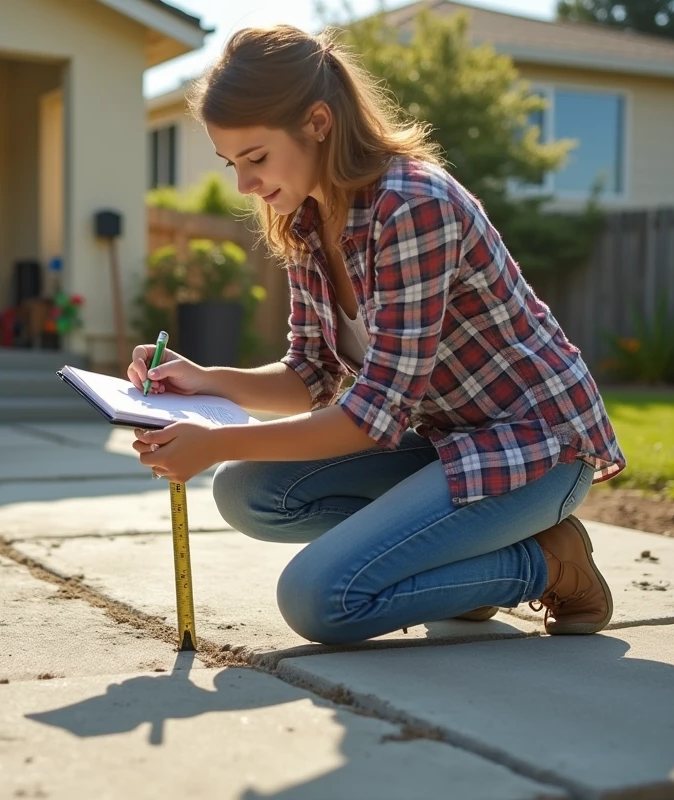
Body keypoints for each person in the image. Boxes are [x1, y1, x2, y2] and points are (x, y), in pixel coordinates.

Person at [126, 25, 626, 646]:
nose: (244, 185)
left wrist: (216, 439)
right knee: (247, 492)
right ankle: (450, 562)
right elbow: (309, 374)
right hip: (445, 442)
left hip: (533, 449)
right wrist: (205, 380)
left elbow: (371, 416)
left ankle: (550, 563)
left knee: (320, 600)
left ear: (316, 121)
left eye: (255, 158)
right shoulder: (308, 220)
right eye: (233, 164)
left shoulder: (412, 203)